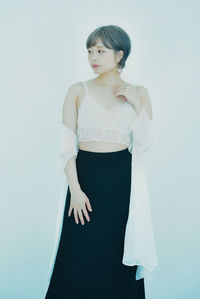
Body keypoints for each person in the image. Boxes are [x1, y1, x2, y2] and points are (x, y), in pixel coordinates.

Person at [44, 24, 158, 299]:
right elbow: (66, 146)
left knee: (117, 252)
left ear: (119, 55)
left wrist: (135, 102)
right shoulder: (77, 90)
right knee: (78, 252)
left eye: (101, 50)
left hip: (122, 181)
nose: (93, 57)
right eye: (90, 51)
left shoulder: (139, 92)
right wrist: (75, 189)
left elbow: (146, 143)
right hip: (85, 178)